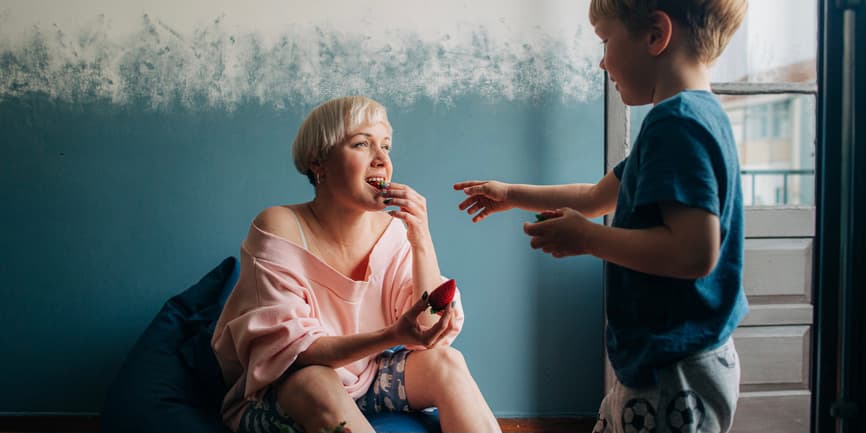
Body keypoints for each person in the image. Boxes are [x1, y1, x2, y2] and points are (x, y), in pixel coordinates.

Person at [454, 1, 749, 432]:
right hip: (663, 361)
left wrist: (588, 239)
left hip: (674, 371)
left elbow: (693, 253)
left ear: (655, 36)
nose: (602, 60)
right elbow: (596, 196)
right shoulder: (686, 119)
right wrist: (511, 194)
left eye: (606, 41)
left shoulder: (678, 124)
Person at [212, 96, 500, 433]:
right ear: (318, 163)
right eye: (362, 144)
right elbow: (300, 353)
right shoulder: (279, 225)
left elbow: (427, 331)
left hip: (369, 378)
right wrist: (390, 335)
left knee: (447, 361)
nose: (381, 159)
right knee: (315, 380)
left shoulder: (394, 232)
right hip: (282, 394)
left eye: (386, 147)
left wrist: (420, 237)